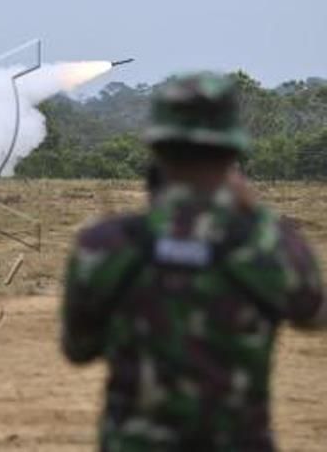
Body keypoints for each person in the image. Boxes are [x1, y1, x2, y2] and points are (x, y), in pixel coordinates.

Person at [61, 74, 325, 451]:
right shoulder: (274, 246)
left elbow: (78, 349)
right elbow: (314, 315)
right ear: (234, 151)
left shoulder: (105, 246)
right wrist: (255, 212)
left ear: (157, 146)